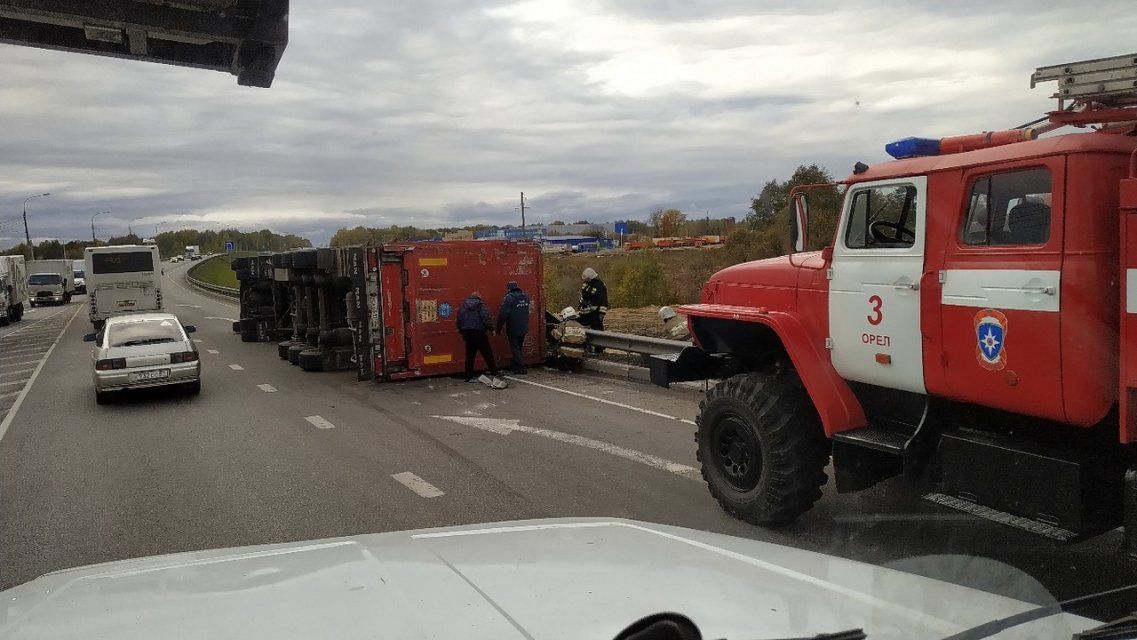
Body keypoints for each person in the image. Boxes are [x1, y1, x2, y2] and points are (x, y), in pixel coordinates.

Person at [456, 291, 500, 383]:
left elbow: (459, 321)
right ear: (479, 298)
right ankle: (494, 373)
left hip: (468, 333)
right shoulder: (480, 305)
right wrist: (491, 329)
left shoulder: (463, 306)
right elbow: (486, 318)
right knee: (487, 353)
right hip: (479, 333)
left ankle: (468, 377)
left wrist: (462, 332)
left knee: (470, 356)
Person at [496, 280, 531, 374]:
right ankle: (515, 365)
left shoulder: (509, 298)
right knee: (519, 347)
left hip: (513, 327)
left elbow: (503, 314)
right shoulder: (525, 296)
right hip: (524, 326)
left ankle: (521, 368)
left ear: (509, 288)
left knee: (515, 348)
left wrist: (498, 328)